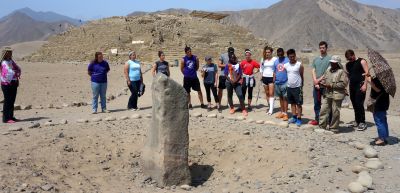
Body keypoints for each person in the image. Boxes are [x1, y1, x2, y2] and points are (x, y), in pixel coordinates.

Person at [318, 55, 348, 132]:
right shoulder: (328, 70)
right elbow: (325, 79)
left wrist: (331, 85)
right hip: (327, 93)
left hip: (337, 94)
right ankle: (322, 126)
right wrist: (322, 83)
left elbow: (343, 84)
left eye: (334, 63)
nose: (332, 64)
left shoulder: (341, 72)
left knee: (335, 111)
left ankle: (334, 128)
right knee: (323, 110)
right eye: (331, 62)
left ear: (338, 63)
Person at [345, 49, 369, 131]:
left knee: (359, 103)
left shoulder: (362, 61)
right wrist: (346, 87)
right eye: (348, 59)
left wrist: (365, 85)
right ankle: (357, 121)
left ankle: (362, 122)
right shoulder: (348, 64)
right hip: (352, 86)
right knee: (354, 103)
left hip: (361, 85)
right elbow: (348, 76)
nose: (350, 60)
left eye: (350, 58)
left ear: (353, 55)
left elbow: (367, 74)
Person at [310, 41, 332, 125]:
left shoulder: (330, 59)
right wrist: (315, 81)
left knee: (328, 103)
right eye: (320, 48)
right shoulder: (316, 59)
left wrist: (318, 80)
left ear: (326, 48)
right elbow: (313, 70)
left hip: (325, 84)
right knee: (316, 102)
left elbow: (328, 71)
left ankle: (329, 121)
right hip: (316, 84)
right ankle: (318, 119)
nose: (322, 49)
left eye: (323, 48)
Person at [365, 74, 390, 146]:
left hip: (379, 103)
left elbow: (378, 90)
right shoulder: (386, 78)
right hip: (384, 102)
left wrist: (370, 82)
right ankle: (384, 137)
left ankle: (381, 139)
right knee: (383, 120)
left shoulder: (381, 79)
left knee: (379, 121)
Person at [1, 47, 21, 123]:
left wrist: (15, 73)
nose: (10, 53)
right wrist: (15, 72)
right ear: (6, 53)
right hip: (6, 84)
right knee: (7, 101)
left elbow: (18, 69)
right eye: (9, 52)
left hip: (13, 82)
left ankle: (11, 117)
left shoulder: (11, 61)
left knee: (12, 100)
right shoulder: (4, 62)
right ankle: (6, 118)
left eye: (11, 52)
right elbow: (9, 72)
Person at [285, 49, 304, 127]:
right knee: (292, 103)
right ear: (288, 57)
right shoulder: (286, 65)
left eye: (293, 56)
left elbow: (302, 75)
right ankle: (294, 117)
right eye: (290, 57)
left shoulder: (299, 65)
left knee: (298, 104)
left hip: (297, 87)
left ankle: (299, 118)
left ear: (295, 55)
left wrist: (302, 85)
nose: (292, 58)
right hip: (289, 87)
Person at [260, 46, 277, 115]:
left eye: (269, 52)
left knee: (271, 93)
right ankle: (270, 106)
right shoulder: (263, 59)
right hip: (264, 77)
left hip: (271, 77)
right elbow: (261, 68)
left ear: (271, 52)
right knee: (267, 93)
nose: (267, 53)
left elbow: (276, 68)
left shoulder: (275, 59)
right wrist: (261, 75)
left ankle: (271, 110)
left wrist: (275, 76)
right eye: (266, 52)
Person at [273, 48, 289, 121]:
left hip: (285, 82)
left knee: (285, 98)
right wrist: (274, 81)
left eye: (280, 52)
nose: (279, 53)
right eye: (278, 52)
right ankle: (282, 112)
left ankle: (286, 114)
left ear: (283, 52)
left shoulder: (287, 60)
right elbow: (274, 72)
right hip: (277, 82)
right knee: (280, 98)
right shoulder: (276, 61)